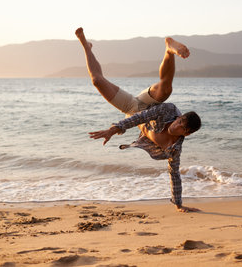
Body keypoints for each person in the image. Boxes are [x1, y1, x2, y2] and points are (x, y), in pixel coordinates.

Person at [75, 28, 201, 213]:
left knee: (96, 80)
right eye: (179, 120)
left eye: (181, 126)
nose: (176, 123)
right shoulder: (169, 111)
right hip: (149, 105)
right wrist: (114, 129)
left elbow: (174, 175)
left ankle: (87, 47)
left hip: (130, 107)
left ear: (186, 133)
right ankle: (169, 50)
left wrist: (179, 205)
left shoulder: (174, 149)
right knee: (166, 90)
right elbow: (141, 117)